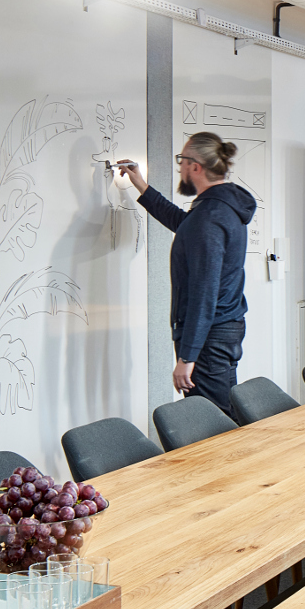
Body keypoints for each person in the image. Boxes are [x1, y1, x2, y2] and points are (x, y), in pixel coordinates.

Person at [117, 133, 254, 417]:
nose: (179, 167)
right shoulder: (219, 206)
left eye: (181, 160)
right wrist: (141, 185)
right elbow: (184, 224)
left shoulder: (210, 216)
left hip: (210, 337)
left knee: (212, 422)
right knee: (216, 415)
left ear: (195, 167)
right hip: (219, 330)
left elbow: (204, 292)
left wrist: (187, 357)